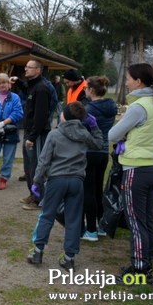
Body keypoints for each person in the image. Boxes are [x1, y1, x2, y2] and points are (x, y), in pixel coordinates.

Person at [27, 102, 103, 271]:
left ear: (65, 116)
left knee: (47, 215)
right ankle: (69, 257)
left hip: (56, 180)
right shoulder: (84, 134)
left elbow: (44, 160)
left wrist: (36, 181)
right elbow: (99, 144)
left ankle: (38, 251)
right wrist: (95, 126)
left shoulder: (54, 135)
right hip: (76, 181)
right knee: (74, 219)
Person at [108, 63, 153, 281]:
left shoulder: (138, 107)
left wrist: (123, 129)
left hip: (135, 169)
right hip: (151, 167)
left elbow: (113, 135)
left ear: (138, 82)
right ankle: (147, 261)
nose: (126, 82)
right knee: (147, 220)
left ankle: (140, 269)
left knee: (136, 221)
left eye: (128, 79)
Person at [10, 59, 52, 211]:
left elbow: (41, 116)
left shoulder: (42, 89)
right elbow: (28, 89)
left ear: (38, 70)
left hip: (37, 134)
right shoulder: (33, 85)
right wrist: (19, 82)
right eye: (26, 67)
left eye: (29, 67)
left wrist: (32, 137)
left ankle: (39, 199)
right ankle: (32, 194)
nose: (26, 69)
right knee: (28, 166)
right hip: (29, 132)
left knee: (36, 166)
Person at [81, 76, 118, 241]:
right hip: (103, 153)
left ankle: (91, 230)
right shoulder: (111, 106)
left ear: (91, 90)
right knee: (98, 190)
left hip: (89, 152)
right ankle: (102, 225)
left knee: (88, 191)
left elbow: (82, 130)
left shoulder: (89, 110)